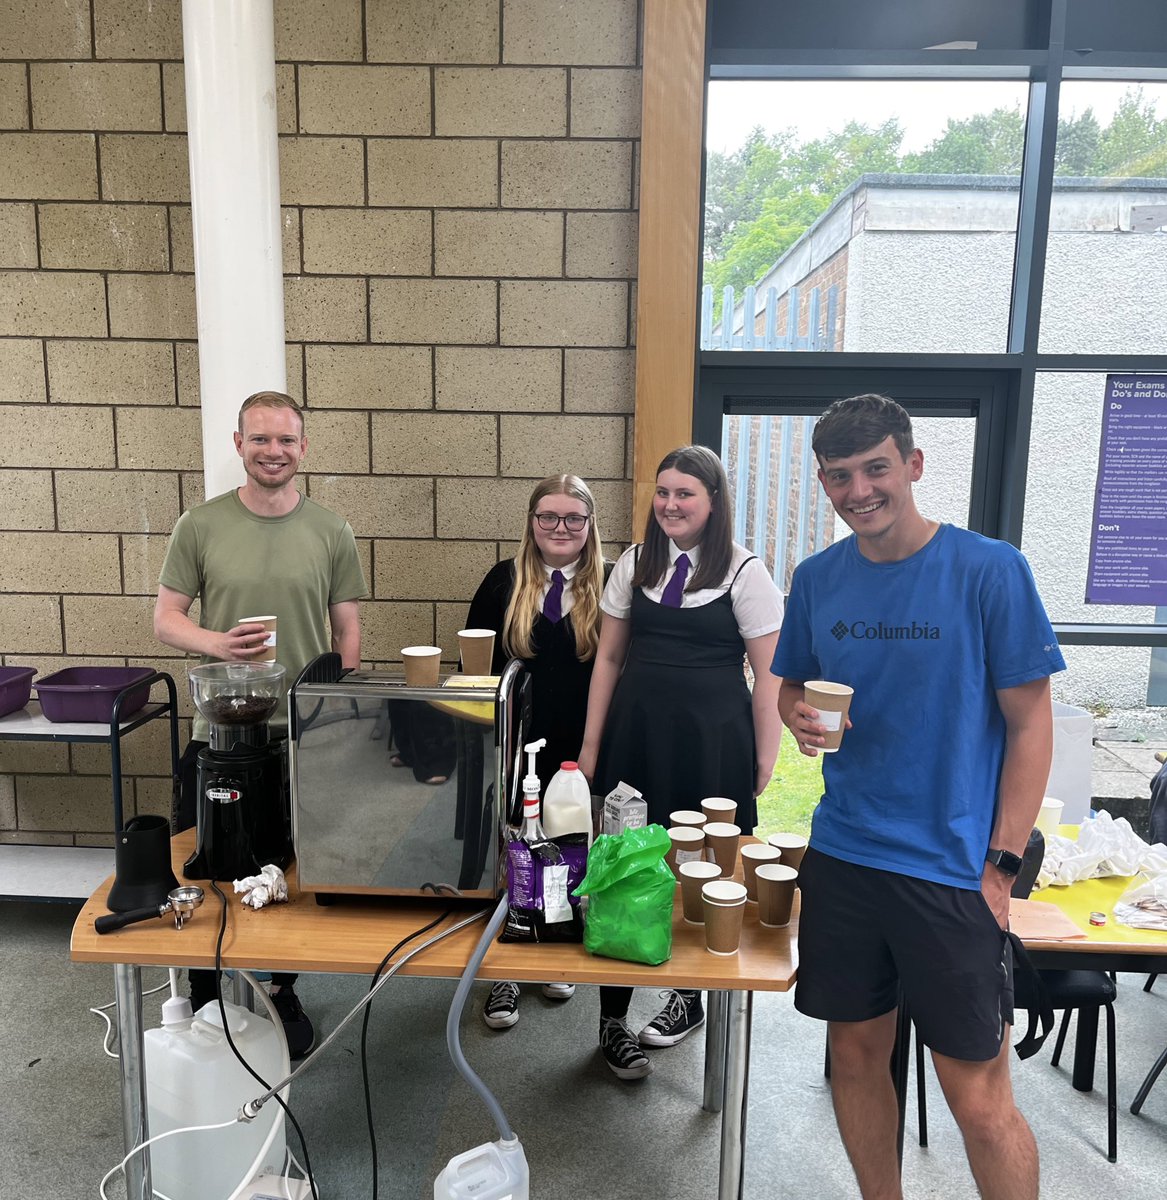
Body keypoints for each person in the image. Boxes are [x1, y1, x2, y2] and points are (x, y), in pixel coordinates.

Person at [771, 394, 1065, 1200]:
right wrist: (794, 712)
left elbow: (1032, 726)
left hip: (951, 869)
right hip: (843, 855)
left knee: (975, 1096)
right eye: (838, 476)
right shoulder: (817, 579)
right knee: (855, 1059)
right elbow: (791, 683)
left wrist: (1001, 866)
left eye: (874, 469)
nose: (857, 490)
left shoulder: (988, 569)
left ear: (912, 465)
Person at [154, 390, 366, 1059]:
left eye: (285, 440)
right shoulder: (200, 525)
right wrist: (218, 644)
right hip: (219, 734)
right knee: (214, 865)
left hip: (302, 738)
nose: (272, 451)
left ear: (304, 448)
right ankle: (207, 991)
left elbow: (347, 628)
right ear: (238, 444)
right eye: (259, 439)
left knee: (286, 874)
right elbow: (165, 619)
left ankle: (279, 989)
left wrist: (335, 704)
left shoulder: (331, 530)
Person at [578, 445, 783, 1080]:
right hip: (636, 737)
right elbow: (608, 659)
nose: (670, 504)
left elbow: (770, 672)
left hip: (712, 741)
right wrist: (590, 747)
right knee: (624, 863)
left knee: (696, 867)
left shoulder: (746, 573)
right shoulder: (635, 564)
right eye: (662, 492)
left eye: (684, 494)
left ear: (713, 502)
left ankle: (687, 1000)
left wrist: (764, 756)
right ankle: (612, 1019)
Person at [465, 475, 608, 1031]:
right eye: (548, 516)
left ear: (590, 525)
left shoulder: (612, 583)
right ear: (531, 521)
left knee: (570, 845)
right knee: (512, 845)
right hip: (514, 740)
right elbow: (473, 668)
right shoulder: (503, 582)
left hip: (580, 740)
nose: (561, 528)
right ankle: (504, 965)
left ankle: (554, 946)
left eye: (574, 518)